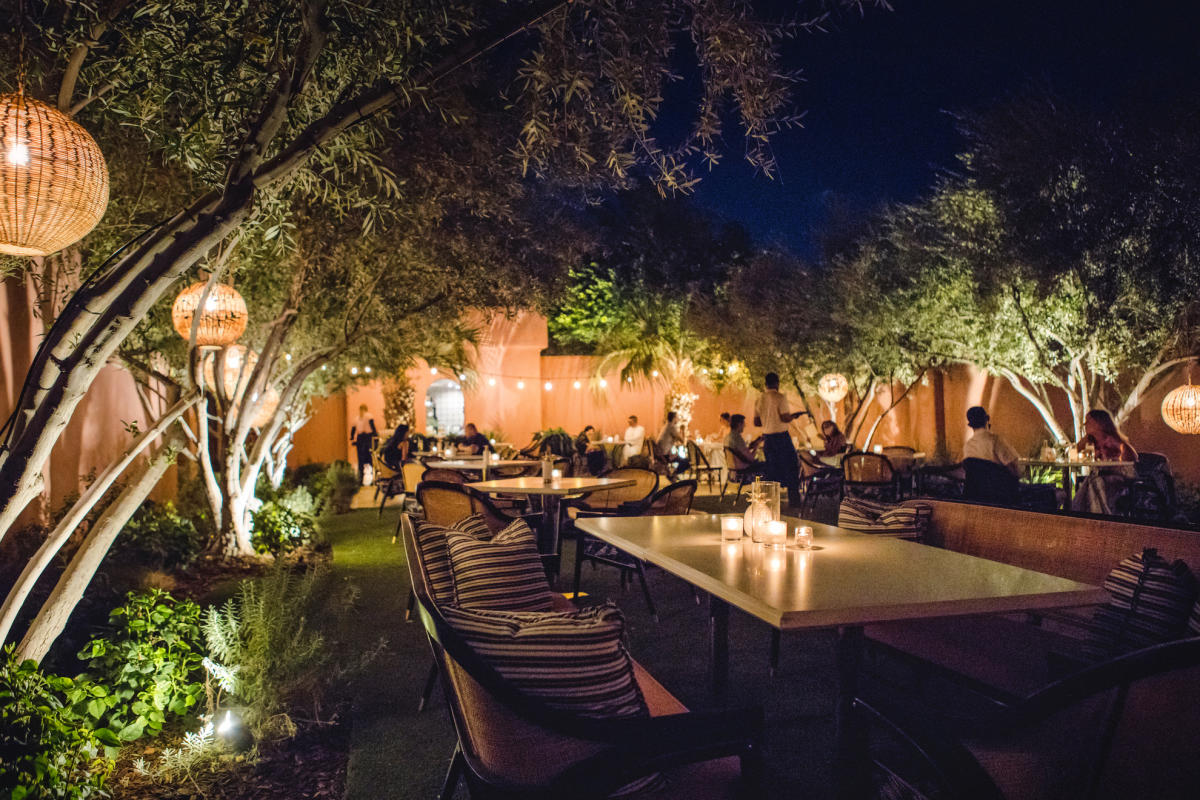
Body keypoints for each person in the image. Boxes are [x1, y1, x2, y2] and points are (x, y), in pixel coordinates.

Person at [754, 372, 805, 506]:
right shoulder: (780, 397)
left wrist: (767, 420)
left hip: (768, 439)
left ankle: (768, 501)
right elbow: (784, 417)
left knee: (771, 469)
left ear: (765, 384)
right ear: (777, 383)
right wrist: (794, 416)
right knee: (791, 466)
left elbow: (756, 422)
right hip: (781, 437)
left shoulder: (759, 399)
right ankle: (794, 501)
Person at [1072, 409, 1138, 514]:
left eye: (1088, 421)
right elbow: (1072, 453)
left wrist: (1118, 450)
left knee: (1095, 482)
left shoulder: (1113, 439)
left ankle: (1100, 515)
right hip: (1100, 476)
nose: (1085, 424)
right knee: (1092, 481)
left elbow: (1132, 459)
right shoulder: (1090, 441)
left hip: (1118, 477)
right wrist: (1083, 441)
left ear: (1099, 423)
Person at [962, 406, 1020, 476]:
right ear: (986, 420)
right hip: (998, 486)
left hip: (977, 486)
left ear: (971, 425)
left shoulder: (967, 446)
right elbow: (1013, 468)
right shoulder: (995, 441)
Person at [349, 404, 378, 484]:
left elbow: (353, 429)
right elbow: (372, 426)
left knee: (364, 458)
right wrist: (376, 435)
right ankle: (363, 477)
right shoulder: (359, 418)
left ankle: (364, 478)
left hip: (364, 437)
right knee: (367, 457)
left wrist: (352, 438)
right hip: (364, 437)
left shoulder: (365, 417)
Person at [655, 411, 689, 477]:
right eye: (677, 417)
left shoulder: (666, 426)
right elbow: (682, 440)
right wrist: (683, 431)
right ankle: (673, 475)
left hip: (660, 453)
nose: (678, 419)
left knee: (680, 458)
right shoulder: (671, 427)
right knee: (686, 462)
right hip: (665, 455)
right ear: (674, 418)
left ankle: (672, 475)